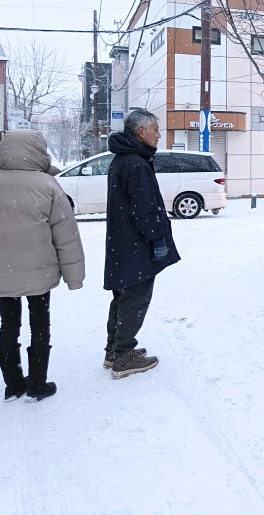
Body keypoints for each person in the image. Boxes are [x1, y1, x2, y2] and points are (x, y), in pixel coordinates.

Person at [0, 130, 85, 401]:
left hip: (0, 271)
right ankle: (38, 382)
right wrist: (73, 276)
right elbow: (66, 235)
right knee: (40, 323)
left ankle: (14, 382)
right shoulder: (48, 185)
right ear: (39, 151)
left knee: (8, 323)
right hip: (39, 270)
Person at [104, 109, 180, 379]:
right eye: (156, 130)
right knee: (135, 299)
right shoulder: (136, 163)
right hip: (135, 245)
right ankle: (124, 356)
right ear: (141, 132)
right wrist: (157, 238)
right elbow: (145, 209)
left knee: (123, 297)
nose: (159, 135)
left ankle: (113, 350)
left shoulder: (123, 159)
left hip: (123, 243)